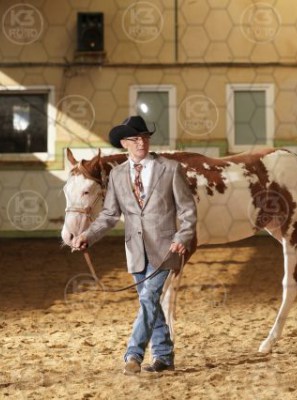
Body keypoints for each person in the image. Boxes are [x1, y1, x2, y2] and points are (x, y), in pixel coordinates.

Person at [72, 115, 197, 374]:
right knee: (150, 303)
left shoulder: (170, 169)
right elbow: (109, 215)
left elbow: (187, 210)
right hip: (135, 250)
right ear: (124, 143)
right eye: (136, 139)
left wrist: (182, 237)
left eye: (145, 137)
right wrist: (87, 236)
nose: (142, 142)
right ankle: (164, 357)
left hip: (166, 249)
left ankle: (133, 354)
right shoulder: (117, 175)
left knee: (149, 297)